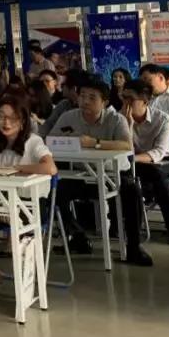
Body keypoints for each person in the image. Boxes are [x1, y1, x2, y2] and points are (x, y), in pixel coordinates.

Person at [0, 95, 57, 304]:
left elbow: (50, 168)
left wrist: (17, 168)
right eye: (0, 117)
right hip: (4, 202)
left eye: (12, 118)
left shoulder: (33, 141)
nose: (6, 122)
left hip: (31, 205)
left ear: (22, 121)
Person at [49, 79, 133, 254]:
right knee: (53, 191)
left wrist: (95, 143)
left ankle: (134, 246)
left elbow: (126, 145)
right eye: (82, 96)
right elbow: (51, 140)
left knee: (132, 192)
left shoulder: (116, 119)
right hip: (80, 173)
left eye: (92, 98)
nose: (85, 101)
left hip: (113, 175)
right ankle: (77, 236)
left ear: (105, 102)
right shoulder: (68, 117)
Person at [120, 79, 169, 247]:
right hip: (133, 163)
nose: (125, 103)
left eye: (130, 99)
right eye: (123, 97)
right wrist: (127, 125)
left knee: (158, 176)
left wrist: (132, 158)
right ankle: (130, 230)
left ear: (145, 101)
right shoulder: (118, 118)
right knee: (127, 182)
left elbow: (159, 152)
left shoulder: (162, 119)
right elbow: (121, 149)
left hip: (162, 162)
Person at [38, 69, 86, 137]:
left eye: (63, 84)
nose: (60, 86)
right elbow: (48, 124)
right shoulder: (64, 104)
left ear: (74, 88)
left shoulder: (85, 109)